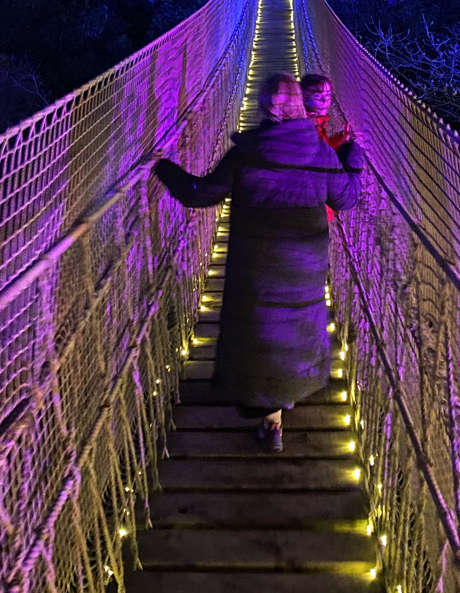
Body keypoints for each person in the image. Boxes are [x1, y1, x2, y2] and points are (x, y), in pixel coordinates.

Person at [153, 73, 363, 453]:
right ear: (300, 105)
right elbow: (347, 198)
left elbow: (200, 194)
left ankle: (270, 418)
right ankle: (280, 410)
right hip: (304, 262)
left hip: (256, 267)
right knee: (295, 328)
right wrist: (352, 154)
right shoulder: (320, 152)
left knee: (262, 331)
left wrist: (163, 168)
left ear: (263, 108)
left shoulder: (247, 153)